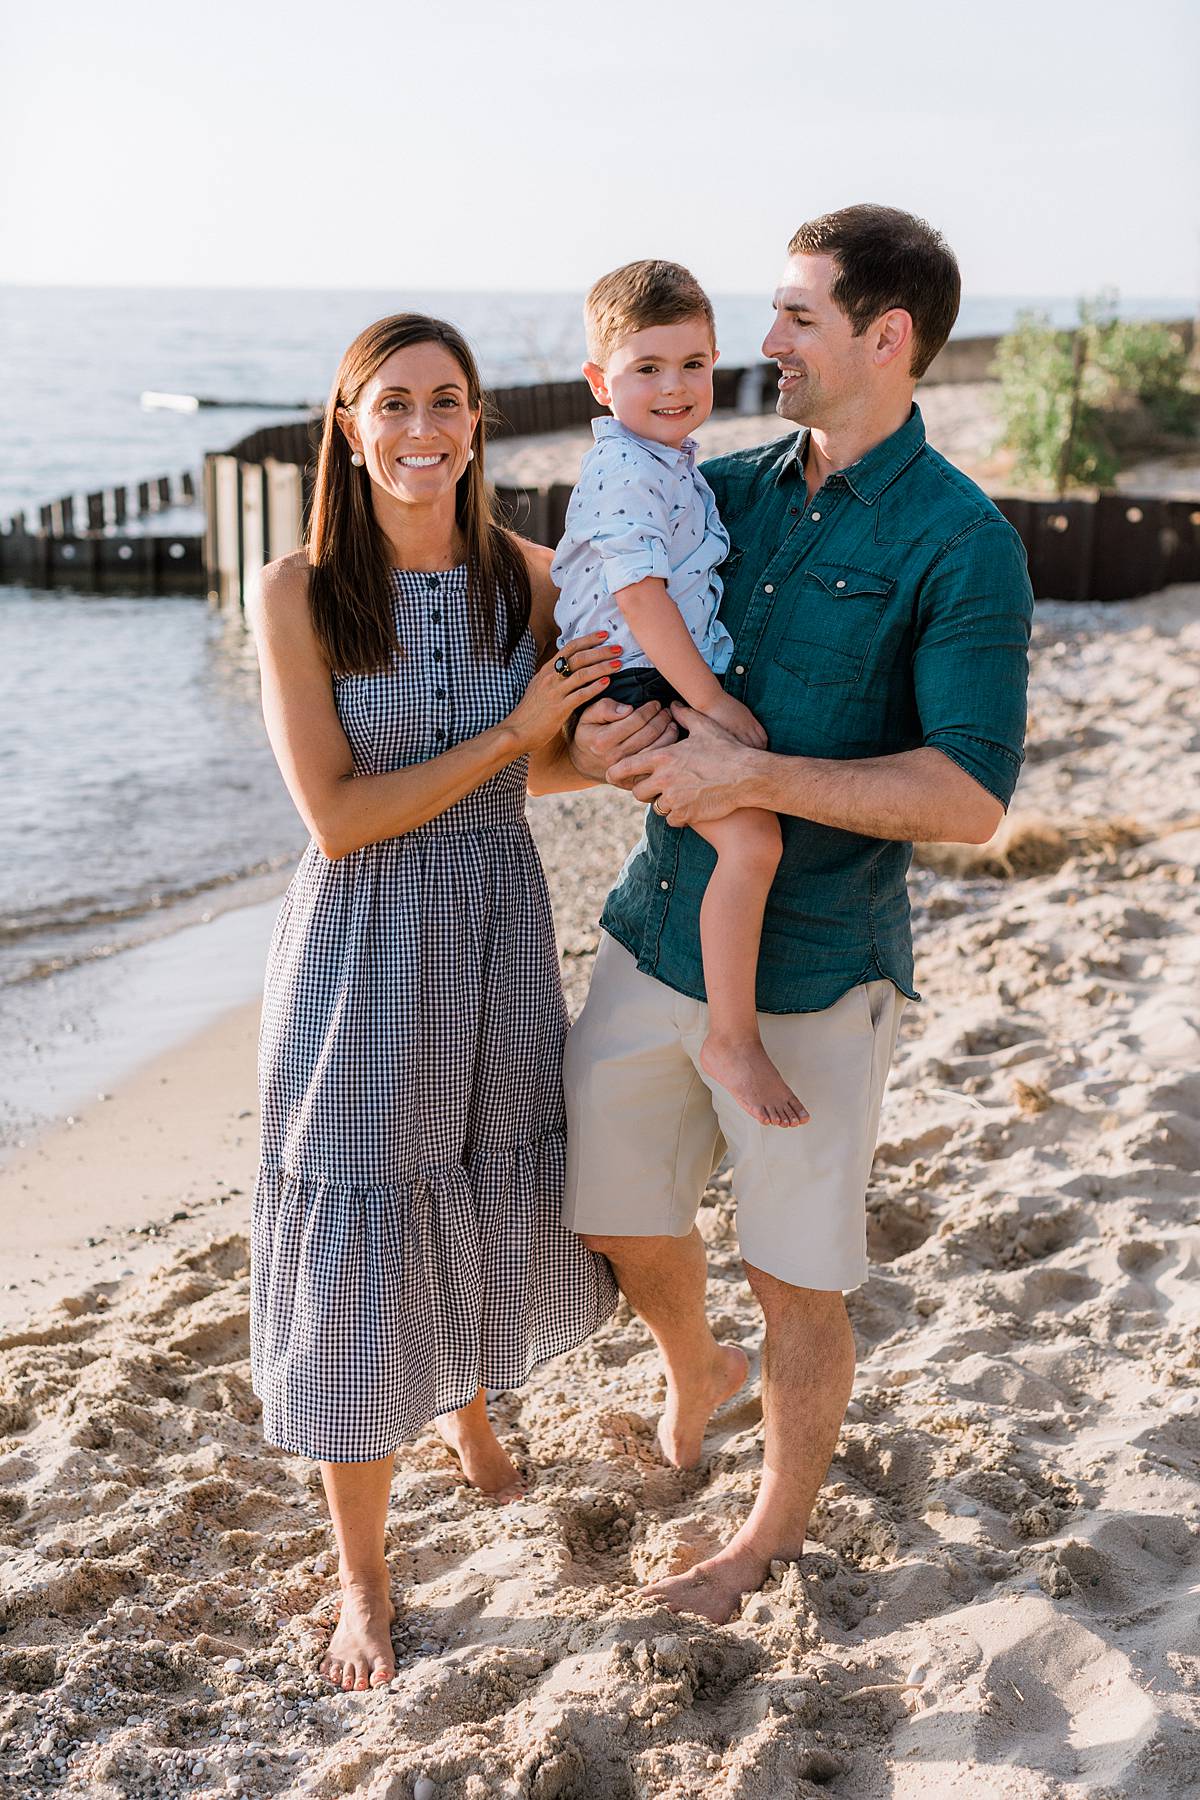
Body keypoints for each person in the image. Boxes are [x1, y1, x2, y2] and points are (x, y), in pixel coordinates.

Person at [564, 206, 1035, 1625]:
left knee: (799, 1281)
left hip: (821, 973)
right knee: (610, 1203)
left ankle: (762, 1540)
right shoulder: (730, 488)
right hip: (656, 929)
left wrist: (754, 770)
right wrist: (596, 744)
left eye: (796, 318)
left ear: (886, 340)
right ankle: (693, 1367)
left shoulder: (967, 546)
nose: (762, 346)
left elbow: (966, 800)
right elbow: (621, 648)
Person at [248, 313, 647, 1692]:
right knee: (366, 1224)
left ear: (478, 425)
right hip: (362, 952)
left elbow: (541, 766)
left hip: (495, 928)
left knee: (473, 1187)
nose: (423, 431)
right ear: (348, 425)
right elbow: (343, 816)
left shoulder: (525, 579)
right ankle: (366, 1578)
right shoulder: (297, 591)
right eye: (395, 404)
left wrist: (634, 757)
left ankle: (471, 1415)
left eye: (449, 403)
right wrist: (522, 730)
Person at [552, 260, 807, 1127]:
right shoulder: (626, 470)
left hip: (648, 674)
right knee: (753, 842)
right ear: (600, 381)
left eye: (693, 364)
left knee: (754, 823)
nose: (675, 387)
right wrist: (712, 703)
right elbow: (639, 596)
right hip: (636, 681)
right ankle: (732, 1038)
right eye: (647, 369)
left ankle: (728, 1025)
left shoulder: (667, 462)